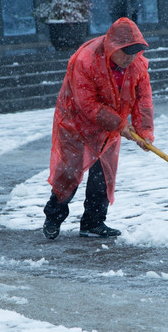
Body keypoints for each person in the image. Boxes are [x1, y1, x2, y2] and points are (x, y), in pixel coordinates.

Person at [43, 17, 154, 239]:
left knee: (103, 175)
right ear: (113, 47)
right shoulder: (86, 61)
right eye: (126, 53)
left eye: (135, 53)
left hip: (109, 125)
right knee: (69, 173)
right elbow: (88, 104)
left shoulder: (138, 65)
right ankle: (53, 218)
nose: (130, 58)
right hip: (75, 122)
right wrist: (120, 124)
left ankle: (93, 223)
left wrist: (145, 133)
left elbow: (143, 100)